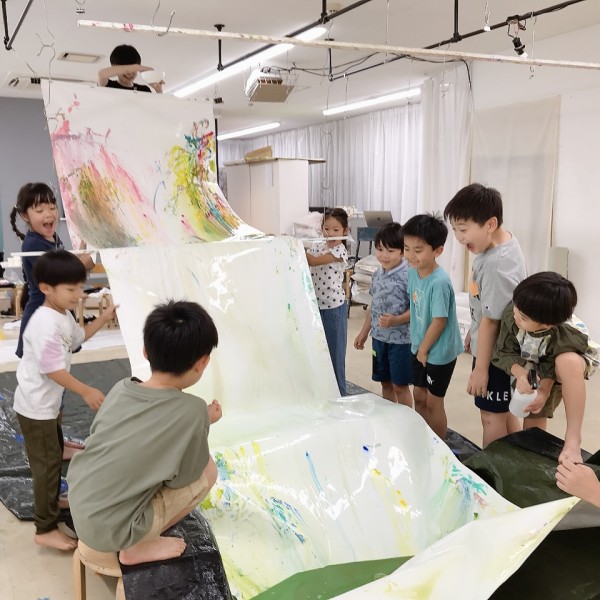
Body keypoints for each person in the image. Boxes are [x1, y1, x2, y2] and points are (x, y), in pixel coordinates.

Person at [67, 300, 222, 565]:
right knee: (208, 470)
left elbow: (104, 433)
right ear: (203, 362)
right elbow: (183, 478)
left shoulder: (122, 388)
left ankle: (134, 534)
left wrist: (196, 421)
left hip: (81, 505)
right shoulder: (194, 410)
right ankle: (137, 545)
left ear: (145, 351)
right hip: (112, 532)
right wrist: (202, 422)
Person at [14, 250, 118, 551]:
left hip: (47, 406)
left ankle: (54, 502)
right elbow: (52, 369)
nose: (79, 295)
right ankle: (45, 527)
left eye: (80, 287)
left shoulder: (61, 314)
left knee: (55, 453)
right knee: (46, 467)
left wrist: (104, 318)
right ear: (46, 288)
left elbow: (78, 338)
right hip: (35, 408)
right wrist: (85, 390)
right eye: (71, 289)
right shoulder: (45, 324)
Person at [11, 182, 95, 460]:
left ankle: (57, 441)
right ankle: (52, 445)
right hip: (42, 317)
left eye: (52, 207)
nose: (48, 214)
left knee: (55, 388)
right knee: (49, 384)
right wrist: (87, 261)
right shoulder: (33, 244)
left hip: (55, 315)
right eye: (39, 210)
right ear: (25, 215)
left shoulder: (51, 239)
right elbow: (62, 274)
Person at [444, 183, 527, 446]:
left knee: (491, 417)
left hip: (496, 356)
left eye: (463, 230)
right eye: (455, 230)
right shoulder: (502, 240)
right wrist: (474, 328)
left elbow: (492, 321)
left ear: (490, 224)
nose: (458, 238)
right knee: (505, 411)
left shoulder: (495, 265)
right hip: (502, 347)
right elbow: (489, 306)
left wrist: (481, 370)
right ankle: (513, 460)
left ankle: (494, 468)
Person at [492, 272, 599, 464]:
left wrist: (544, 391)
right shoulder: (515, 312)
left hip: (561, 365)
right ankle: (528, 458)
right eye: (516, 306)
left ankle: (573, 439)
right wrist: (521, 373)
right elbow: (503, 352)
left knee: (567, 362)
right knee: (531, 409)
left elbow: (550, 363)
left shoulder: (564, 335)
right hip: (530, 361)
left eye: (523, 317)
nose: (516, 315)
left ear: (547, 324)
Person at [402, 213, 463, 439]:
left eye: (418, 250)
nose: (410, 255)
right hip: (419, 346)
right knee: (419, 395)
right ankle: (423, 438)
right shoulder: (412, 273)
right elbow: (416, 308)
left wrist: (424, 350)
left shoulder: (439, 282)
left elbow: (439, 322)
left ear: (438, 251)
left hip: (438, 352)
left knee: (434, 401)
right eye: (407, 248)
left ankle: (438, 447)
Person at [354, 222, 412, 406]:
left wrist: (396, 320)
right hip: (378, 339)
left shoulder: (409, 276)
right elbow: (374, 305)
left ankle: (406, 420)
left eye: (390, 251)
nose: (384, 255)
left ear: (403, 252)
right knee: (385, 383)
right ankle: (390, 417)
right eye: (379, 249)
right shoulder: (377, 274)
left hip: (401, 342)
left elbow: (418, 309)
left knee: (400, 386)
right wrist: (364, 332)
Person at [306, 208, 350, 396]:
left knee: (335, 355)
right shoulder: (318, 246)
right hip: (316, 308)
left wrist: (296, 247)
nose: (330, 234)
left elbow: (314, 261)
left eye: (336, 230)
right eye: (326, 229)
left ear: (345, 231)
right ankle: (324, 393)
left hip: (334, 309)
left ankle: (340, 394)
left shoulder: (340, 251)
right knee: (319, 353)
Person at [98, 44, 163, 93]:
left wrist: (159, 90)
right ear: (114, 66)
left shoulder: (144, 89)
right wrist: (137, 67)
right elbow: (101, 74)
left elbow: (156, 105)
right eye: (127, 70)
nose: (130, 74)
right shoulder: (108, 85)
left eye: (134, 70)